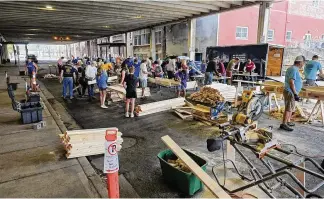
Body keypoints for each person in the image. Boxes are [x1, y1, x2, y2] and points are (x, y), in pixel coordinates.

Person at [280, 55, 305, 132]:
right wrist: (295, 94)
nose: (303, 64)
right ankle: (283, 124)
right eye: (303, 63)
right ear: (300, 62)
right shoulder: (294, 69)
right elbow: (291, 82)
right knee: (288, 108)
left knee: (291, 107)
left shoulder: (293, 68)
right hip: (290, 92)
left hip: (291, 91)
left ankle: (288, 121)